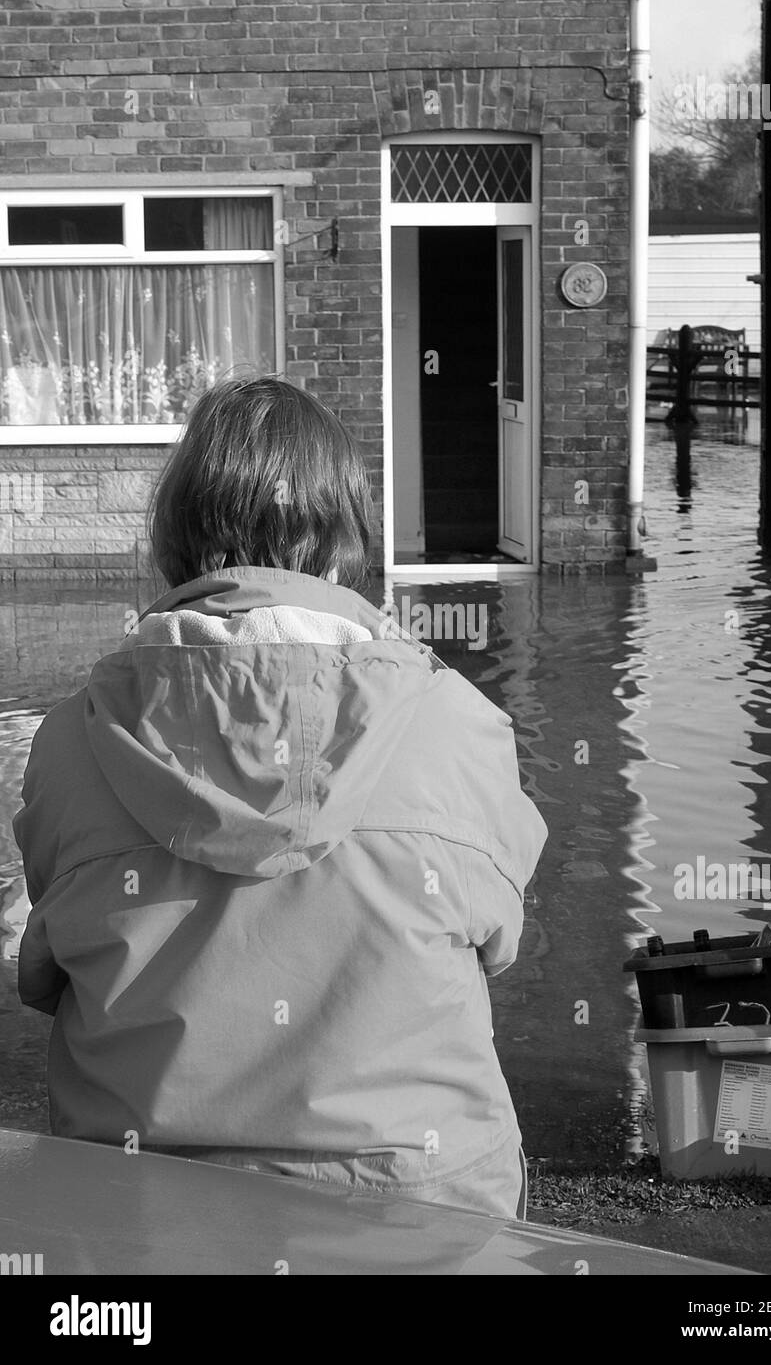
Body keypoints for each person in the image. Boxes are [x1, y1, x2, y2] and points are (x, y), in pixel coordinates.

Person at [14, 376, 548, 1221]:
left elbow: (46, 973)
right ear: (343, 546)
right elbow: (497, 945)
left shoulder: (70, 742)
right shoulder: (460, 725)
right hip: (422, 1213)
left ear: (176, 541)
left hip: (139, 1215)